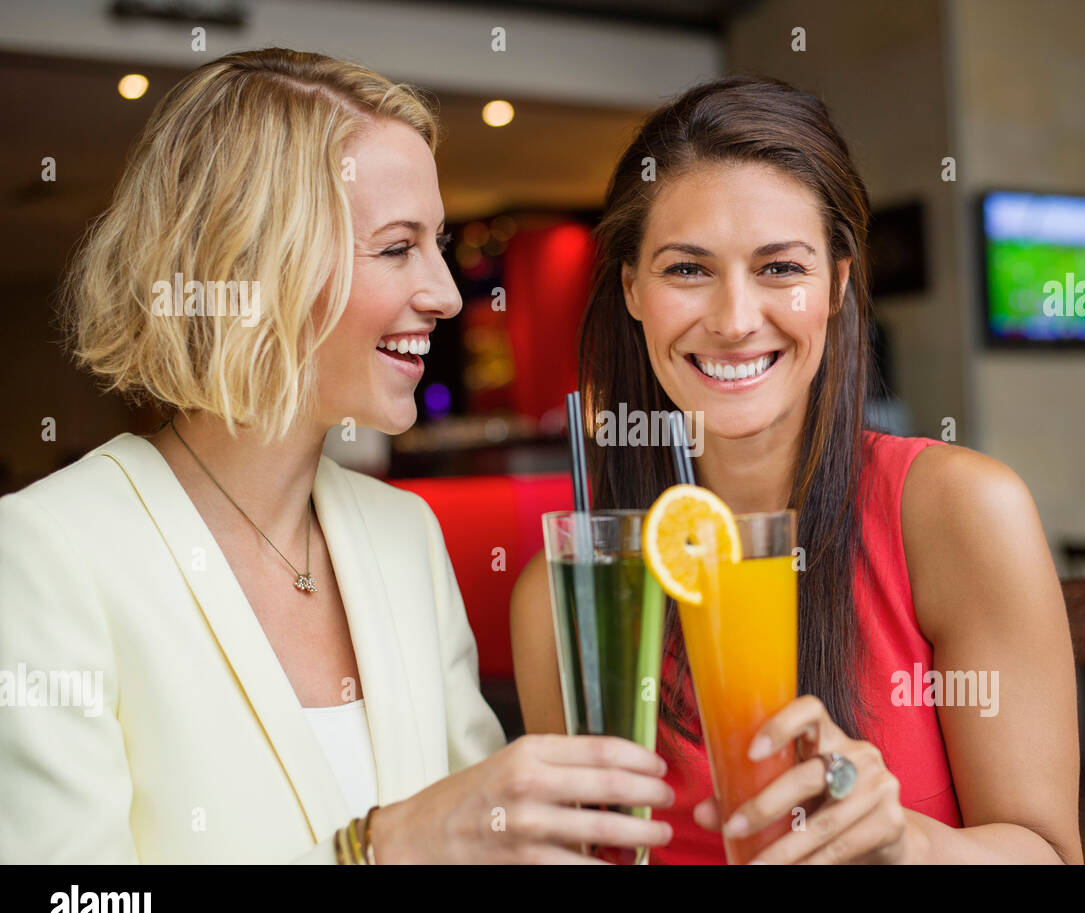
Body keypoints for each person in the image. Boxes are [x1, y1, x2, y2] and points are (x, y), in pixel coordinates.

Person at [0, 47, 673, 864]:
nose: (447, 293)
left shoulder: (405, 534)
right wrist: (371, 849)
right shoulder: (46, 551)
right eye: (397, 248)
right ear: (251, 263)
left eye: (438, 243)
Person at [511, 76, 1084, 864]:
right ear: (633, 290)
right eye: (687, 270)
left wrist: (905, 841)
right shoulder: (567, 597)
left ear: (837, 284)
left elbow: (1051, 856)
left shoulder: (958, 510)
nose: (736, 319)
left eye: (780, 267)